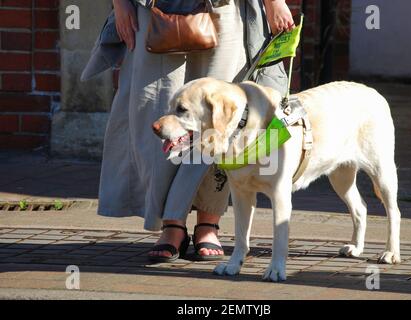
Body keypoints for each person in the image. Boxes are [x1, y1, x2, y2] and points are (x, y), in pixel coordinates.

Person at [82, 0, 294, 262]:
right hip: (153, 7)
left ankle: (208, 221)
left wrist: (274, 3)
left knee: (218, 116)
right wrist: (120, 4)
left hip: (228, 8)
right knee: (157, 110)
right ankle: (172, 223)